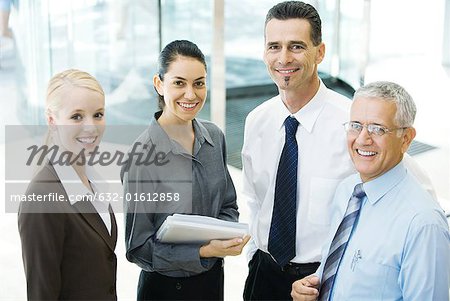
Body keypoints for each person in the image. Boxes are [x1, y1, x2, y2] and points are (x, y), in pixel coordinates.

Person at [242, 1, 437, 300]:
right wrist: (255, 257)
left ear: (319, 52)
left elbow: (415, 191)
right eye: (274, 46)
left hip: (320, 281)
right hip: (263, 277)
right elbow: (256, 201)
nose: (283, 58)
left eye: (296, 46)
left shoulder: (356, 125)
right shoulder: (257, 121)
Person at [291, 81, 450, 301]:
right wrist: (312, 285)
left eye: (377, 129)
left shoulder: (423, 224)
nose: (363, 139)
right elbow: (342, 266)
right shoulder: (347, 191)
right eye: (356, 125)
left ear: (405, 139)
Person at [122, 40, 250, 300]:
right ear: (159, 84)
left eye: (199, 83)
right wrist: (203, 250)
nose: (191, 94)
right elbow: (138, 248)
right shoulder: (142, 156)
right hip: (164, 290)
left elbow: (228, 205)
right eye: (179, 83)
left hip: (212, 282)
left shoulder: (215, 137)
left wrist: (226, 234)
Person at [18, 69, 118, 300]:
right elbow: (42, 294)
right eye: (76, 116)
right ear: (52, 121)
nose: (91, 127)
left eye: (98, 114)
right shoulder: (42, 199)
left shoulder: (94, 182)